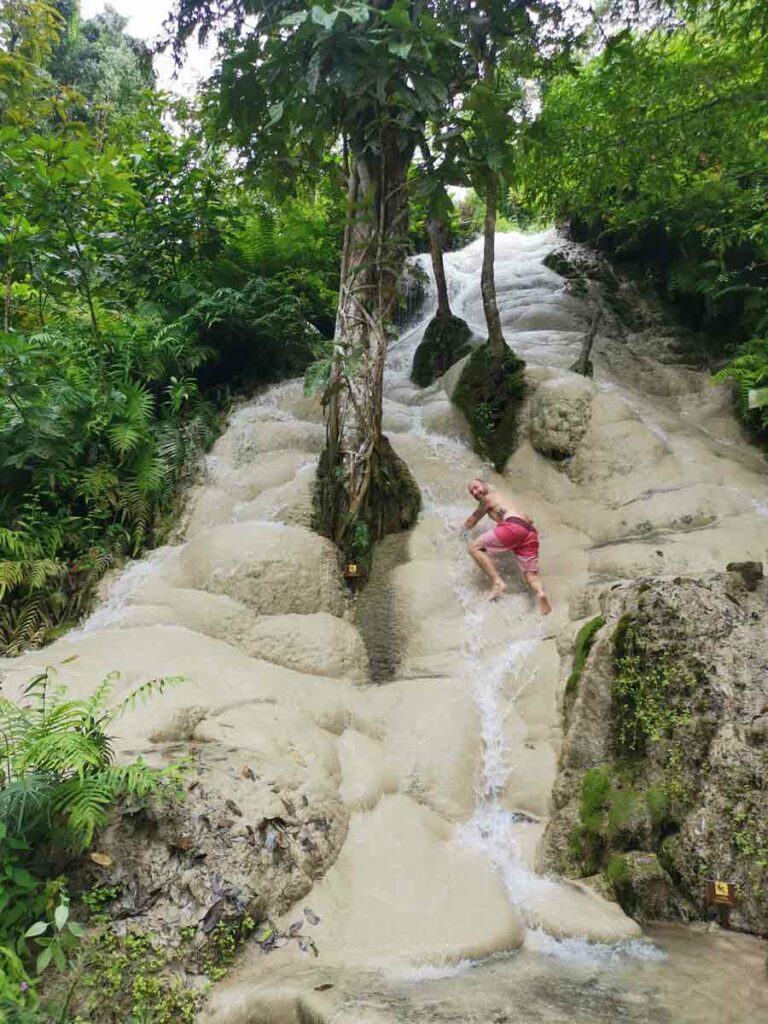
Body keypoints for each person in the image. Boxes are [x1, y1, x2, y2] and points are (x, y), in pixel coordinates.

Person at [462, 478, 552, 613]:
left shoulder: (488, 498)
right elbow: (529, 519)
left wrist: (458, 531)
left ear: (484, 484)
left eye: (476, 487)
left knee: (474, 548)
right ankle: (540, 593)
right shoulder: (506, 499)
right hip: (529, 532)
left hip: (513, 526)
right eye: (472, 492)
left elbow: (471, 521)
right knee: (531, 576)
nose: (475, 492)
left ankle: (498, 583)